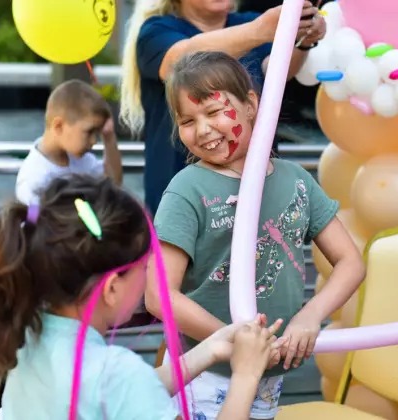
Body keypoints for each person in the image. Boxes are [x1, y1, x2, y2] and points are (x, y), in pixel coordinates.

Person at [145, 51, 366, 420]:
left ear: (251, 105)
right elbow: (159, 295)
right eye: (188, 121)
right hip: (202, 374)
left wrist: (311, 315)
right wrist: (232, 342)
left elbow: (350, 262)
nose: (203, 129)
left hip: (268, 376)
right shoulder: (187, 188)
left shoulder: (296, 180)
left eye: (214, 112)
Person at [0, 174, 285, 420]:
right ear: (112, 288)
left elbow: (127, 395)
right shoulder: (117, 375)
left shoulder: (28, 332)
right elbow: (127, 389)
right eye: (144, 267)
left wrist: (211, 349)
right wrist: (246, 375)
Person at [120, 0, 327, 215]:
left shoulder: (250, 22)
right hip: (182, 201)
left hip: (255, 193)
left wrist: (303, 41)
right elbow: (180, 61)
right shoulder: (155, 30)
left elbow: (276, 69)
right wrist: (261, 29)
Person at [15, 80, 123, 206]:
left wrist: (109, 138)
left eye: (97, 133)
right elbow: (31, 217)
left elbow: (113, 183)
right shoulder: (34, 178)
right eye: (89, 132)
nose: (94, 141)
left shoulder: (81, 160)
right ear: (59, 126)